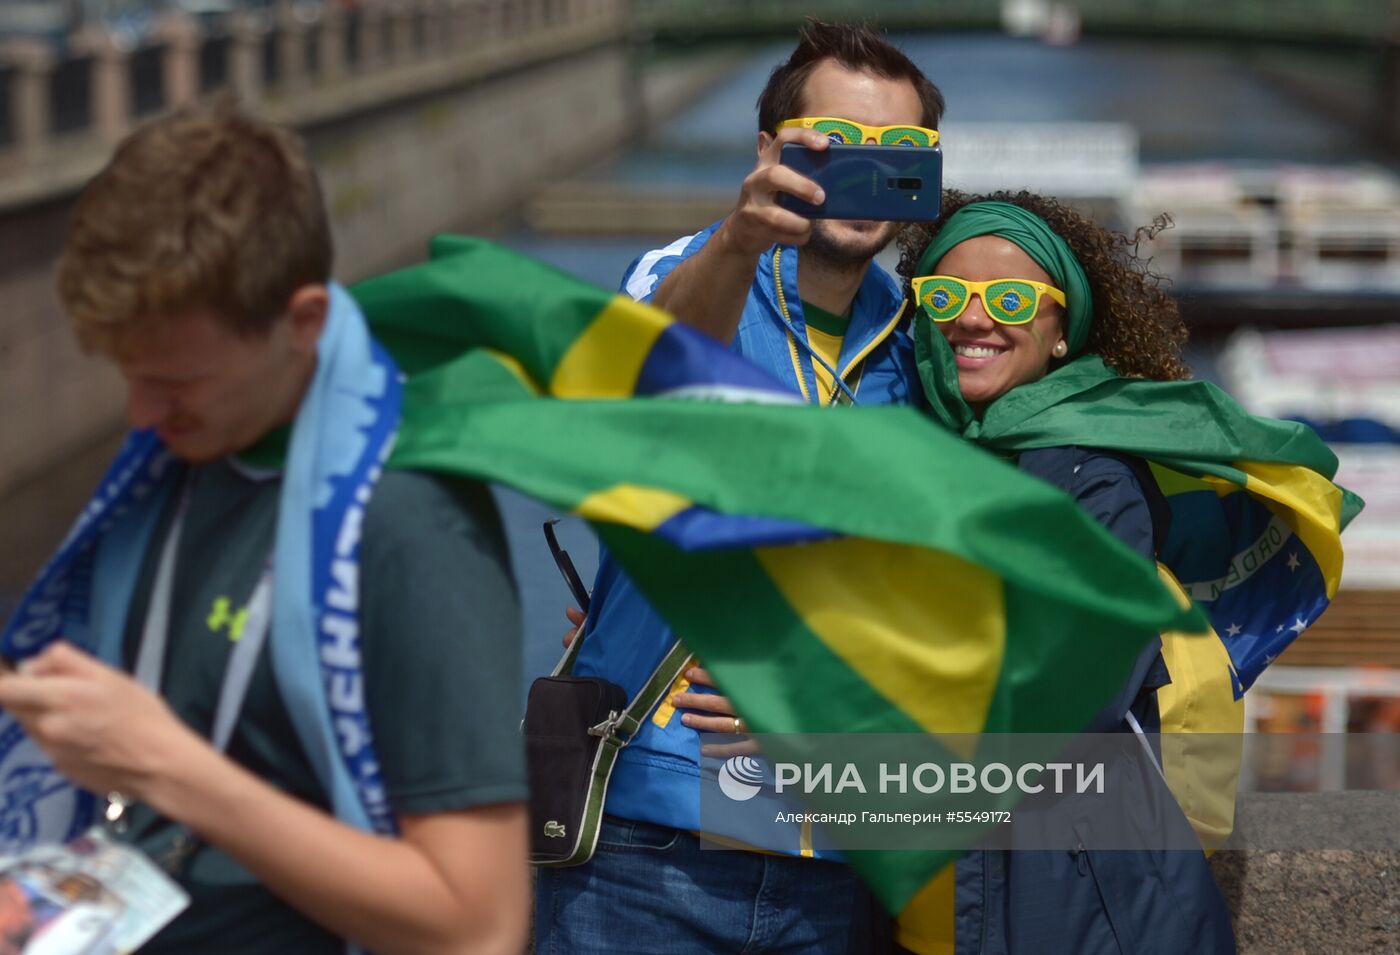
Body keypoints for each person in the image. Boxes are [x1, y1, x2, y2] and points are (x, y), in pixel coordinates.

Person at [0, 102, 529, 955]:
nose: (141, 414)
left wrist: (164, 765)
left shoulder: (409, 522)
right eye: (128, 376)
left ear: (305, 322)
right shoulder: (193, 449)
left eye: (177, 380)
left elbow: (479, 924)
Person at [535, 19, 944, 955]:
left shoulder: (923, 342)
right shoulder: (689, 276)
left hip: (835, 863)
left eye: (899, 149)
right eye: (834, 143)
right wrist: (736, 241)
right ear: (770, 149)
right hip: (652, 852)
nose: (863, 169)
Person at [893, 191, 1250, 954]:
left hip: (1087, 905)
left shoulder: (1091, 477)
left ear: (1062, 331)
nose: (973, 318)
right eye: (946, 295)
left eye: (1012, 298)